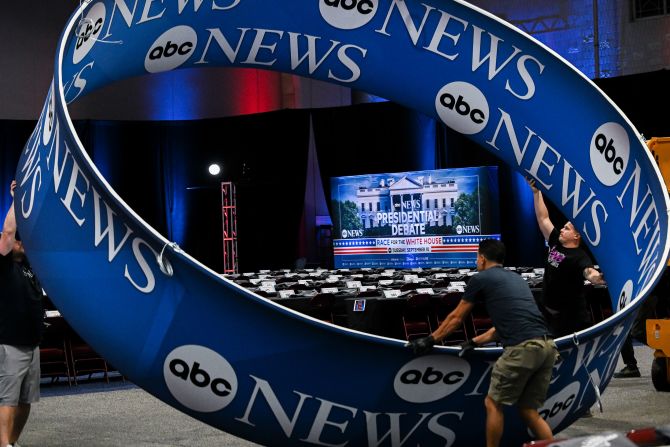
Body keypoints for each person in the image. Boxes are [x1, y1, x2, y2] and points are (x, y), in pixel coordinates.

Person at [407, 239, 558, 447]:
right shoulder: (517, 279)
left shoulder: (480, 278)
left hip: (522, 348)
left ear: (482, 258)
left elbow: (456, 318)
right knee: (529, 410)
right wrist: (473, 341)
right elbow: (506, 326)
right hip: (547, 346)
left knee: (492, 403)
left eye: (477, 257)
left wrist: (430, 339)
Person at [527, 178, 605, 337]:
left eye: (566, 228)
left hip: (570, 318)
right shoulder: (556, 241)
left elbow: (589, 272)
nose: (561, 229)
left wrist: (596, 278)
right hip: (548, 311)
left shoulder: (579, 257)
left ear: (576, 236)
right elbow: (543, 218)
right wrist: (536, 192)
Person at [0, 180, 44, 447]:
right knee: (7, 399)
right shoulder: (3, 266)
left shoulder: (29, 267)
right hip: (10, 343)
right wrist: (17, 197)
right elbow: (8, 232)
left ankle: (12, 443)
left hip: (32, 343)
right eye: (15, 241)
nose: (19, 241)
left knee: (26, 401)